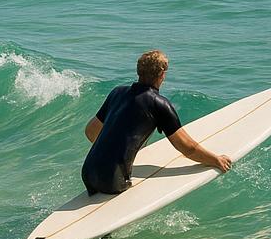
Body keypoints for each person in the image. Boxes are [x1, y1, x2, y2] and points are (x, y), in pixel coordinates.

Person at [82, 50, 231, 197]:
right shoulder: (158, 104)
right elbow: (187, 148)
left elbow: (90, 131)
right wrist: (216, 160)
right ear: (162, 75)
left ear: (139, 71)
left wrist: (114, 150)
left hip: (87, 173)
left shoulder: (117, 92)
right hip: (113, 181)